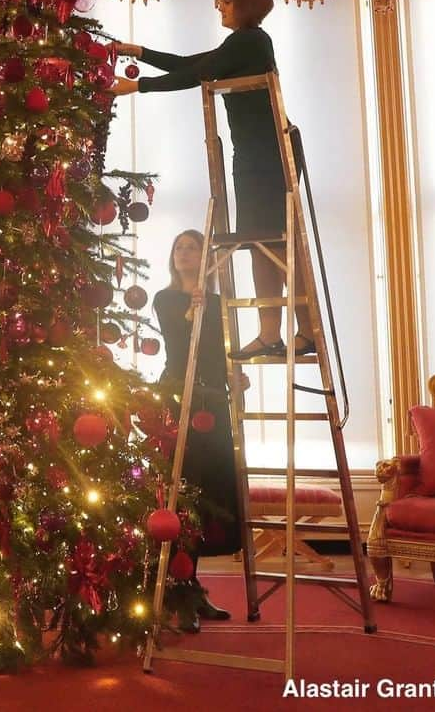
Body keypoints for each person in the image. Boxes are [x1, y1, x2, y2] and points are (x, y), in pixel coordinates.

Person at [111, 0, 312, 360]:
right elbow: (195, 64)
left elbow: (195, 73)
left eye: (225, 1)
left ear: (243, 3)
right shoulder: (245, 43)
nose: (219, 7)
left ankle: (279, 333)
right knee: (266, 243)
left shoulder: (250, 41)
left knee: (269, 245)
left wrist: (139, 87)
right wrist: (138, 52)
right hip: (260, 154)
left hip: (264, 158)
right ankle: (292, 332)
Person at [153, 229, 240, 633]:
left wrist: (234, 376)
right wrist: (196, 307)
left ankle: (191, 584)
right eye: (179, 248)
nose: (184, 253)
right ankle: (175, 589)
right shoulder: (166, 299)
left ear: (205, 257)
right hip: (178, 398)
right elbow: (179, 338)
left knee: (210, 493)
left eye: (192, 248)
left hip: (213, 402)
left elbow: (216, 352)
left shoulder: (219, 303)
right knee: (180, 491)